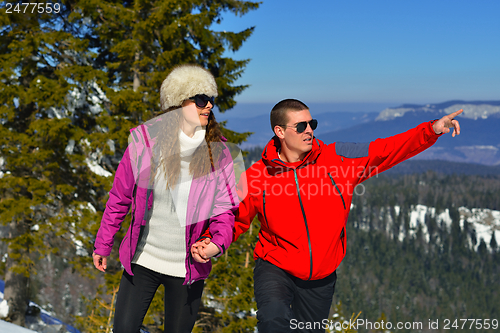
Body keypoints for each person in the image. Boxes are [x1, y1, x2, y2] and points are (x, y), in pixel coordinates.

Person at [192, 98, 463, 333]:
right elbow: (234, 218)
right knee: (273, 321)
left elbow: (385, 150)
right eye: (301, 126)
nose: (309, 130)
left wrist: (431, 130)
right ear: (280, 131)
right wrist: (211, 242)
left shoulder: (338, 160)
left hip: (321, 277)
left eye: (312, 124)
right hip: (275, 267)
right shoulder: (257, 177)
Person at [92, 64, 240, 333]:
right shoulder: (145, 142)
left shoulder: (220, 153)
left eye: (211, 100)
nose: (209, 106)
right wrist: (103, 244)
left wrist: (216, 244)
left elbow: (226, 211)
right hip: (143, 260)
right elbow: (119, 197)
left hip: (188, 269)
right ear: (177, 104)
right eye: (200, 100)